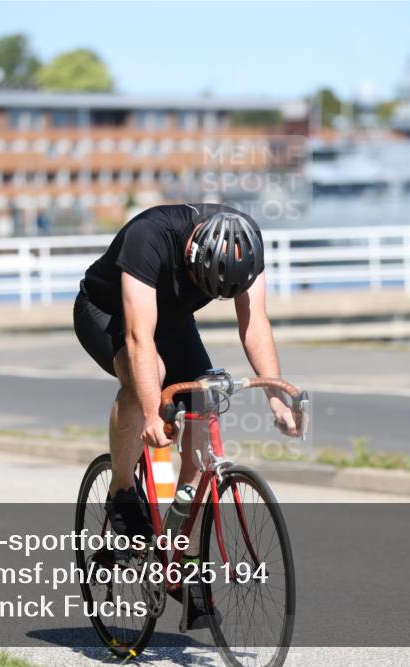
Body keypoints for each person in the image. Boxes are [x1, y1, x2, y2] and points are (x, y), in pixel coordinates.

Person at [73, 202, 301, 627]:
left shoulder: (243, 244)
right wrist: (149, 411)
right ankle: (122, 492)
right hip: (107, 312)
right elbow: (140, 339)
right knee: (149, 375)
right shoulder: (150, 237)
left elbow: (254, 324)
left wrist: (276, 397)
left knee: (203, 398)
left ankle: (183, 559)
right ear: (193, 256)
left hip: (171, 320)